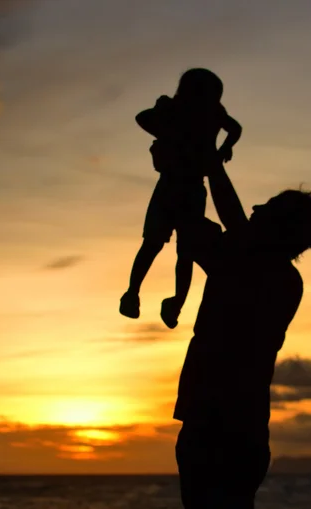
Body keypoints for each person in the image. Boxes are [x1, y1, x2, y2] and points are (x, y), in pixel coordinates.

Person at [173, 153, 311, 509]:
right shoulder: (268, 272)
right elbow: (221, 223)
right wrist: (204, 167)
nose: (255, 210)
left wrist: (204, 164)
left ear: (278, 230)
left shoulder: (255, 269)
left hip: (222, 432)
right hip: (230, 431)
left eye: (267, 208)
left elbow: (219, 222)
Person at [119, 68, 242, 329]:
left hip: (189, 189)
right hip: (172, 186)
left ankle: (173, 302)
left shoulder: (208, 113)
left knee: (184, 251)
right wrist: (168, 132)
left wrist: (223, 149)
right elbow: (143, 118)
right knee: (156, 244)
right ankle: (134, 293)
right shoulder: (175, 109)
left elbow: (235, 129)